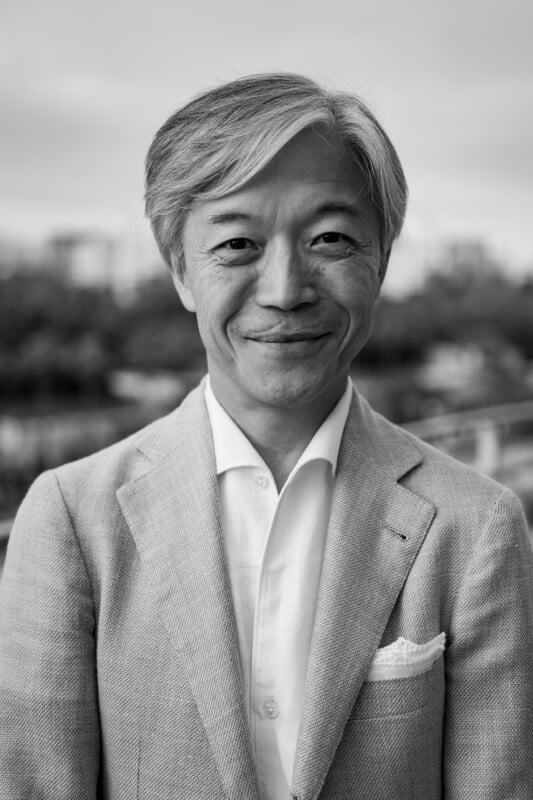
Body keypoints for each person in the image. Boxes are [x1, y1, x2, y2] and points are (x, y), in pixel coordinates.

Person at [0, 73, 532, 800]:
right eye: (237, 243)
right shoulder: (72, 521)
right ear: (181, 270)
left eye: (330, 239)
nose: (284, 290)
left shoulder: (476, 528)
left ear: (380, 260)